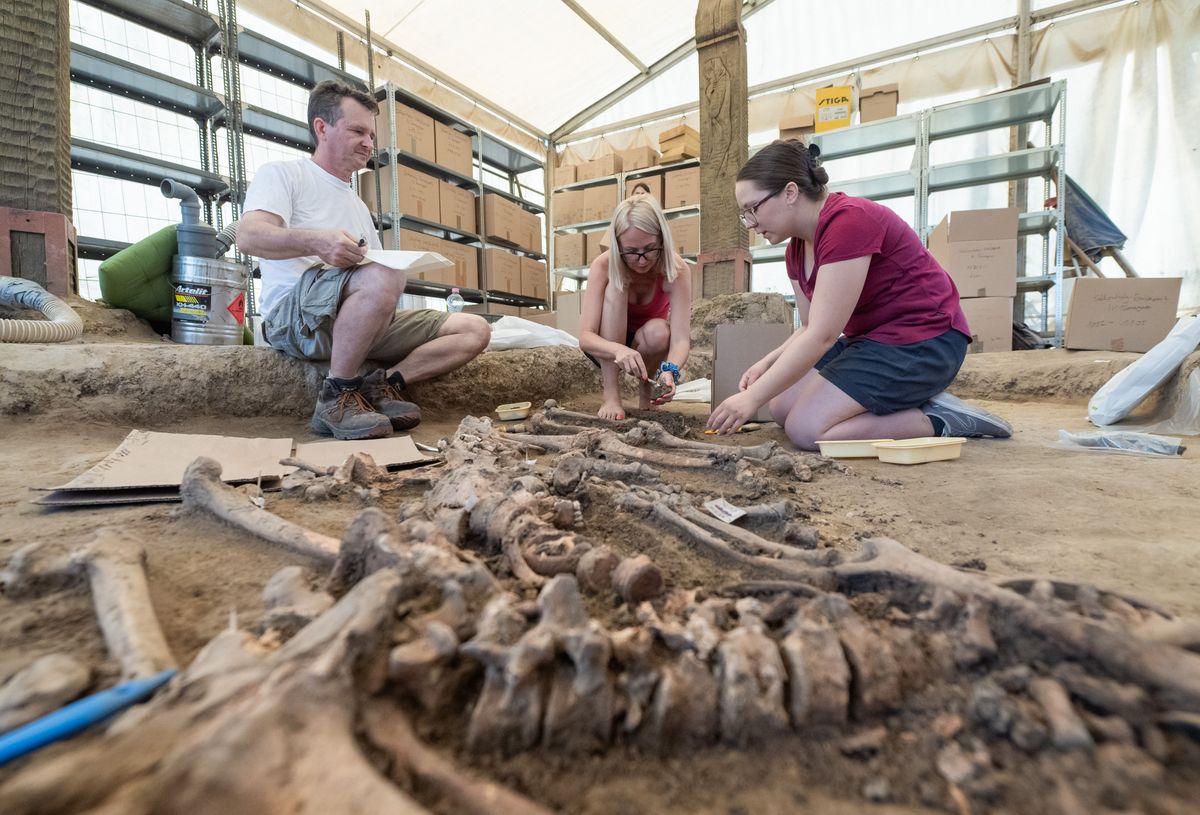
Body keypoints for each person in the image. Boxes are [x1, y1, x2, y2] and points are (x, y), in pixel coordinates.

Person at [707, 139, 1012, 447]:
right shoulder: (795, 250)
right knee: (781, 407)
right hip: (872, 341)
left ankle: (939, 419)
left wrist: (750, 398)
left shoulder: (848, 222)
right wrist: (766, 363)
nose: (751, 223)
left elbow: (824, 336)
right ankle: (897, 406)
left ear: (790, 192)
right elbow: (810, 327)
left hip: (924, 341)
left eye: (752, 209)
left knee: (807, 430)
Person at [238, 80, 490, 441]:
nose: (369, 143)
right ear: (322, 128)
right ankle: (337, 394)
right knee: (383, 275)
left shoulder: (358, 206)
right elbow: (249, 236)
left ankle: (381, 387)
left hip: (349, 320)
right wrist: (318, 242)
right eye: (358, 130)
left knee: (474, 329)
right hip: (294, 317)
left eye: (371, 134)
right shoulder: (284, 174)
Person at [578, 194, 692, 420]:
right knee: (616, 287)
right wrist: (617, 349)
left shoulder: (677, 270)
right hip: (606, 346)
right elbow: (585, 337)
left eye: (650, 249)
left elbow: (680, 340)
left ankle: (646, 390)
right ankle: (611, 394)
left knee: (660, 331)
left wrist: (671, 370)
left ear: (662, 240)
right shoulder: (603, 264)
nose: (641, 260)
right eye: (630, 252)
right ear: (617, 245)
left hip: (647, 344)